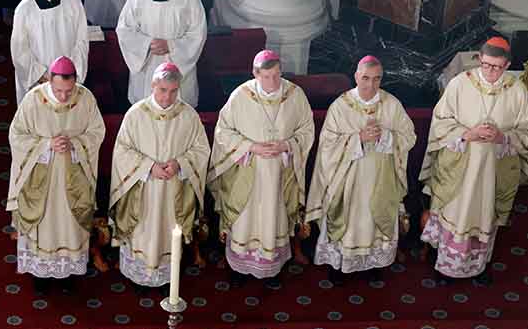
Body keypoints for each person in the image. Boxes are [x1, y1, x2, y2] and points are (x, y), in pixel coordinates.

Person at [420, 37, 528, 284]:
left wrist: (503, 137)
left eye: (497, 67)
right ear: (479, 60)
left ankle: (478, 267)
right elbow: (440, 121)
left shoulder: (517, 90)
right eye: (486, 65)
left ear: (507, 65)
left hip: (493, 171)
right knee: (454, 215)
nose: (490, 71)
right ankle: (445, 267)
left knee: (485, 216)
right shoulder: (460, 84)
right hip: (460, 167)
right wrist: (467, 134)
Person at [306, 56, 417, 283]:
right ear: (356, 76)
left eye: (376, 79)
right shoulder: (340, 105)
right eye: (365, 78)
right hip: (349, 180)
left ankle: (372, 264)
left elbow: (409, 137)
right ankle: (340, 265)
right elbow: (327, 144)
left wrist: (385, 137)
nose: (370, 85)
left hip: (381, 177)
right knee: (349, 221)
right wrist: (358, 138)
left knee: (374, 221)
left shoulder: (391, 104)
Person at [207, 50, 314, 284]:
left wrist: (286, 145)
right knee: (246, 220)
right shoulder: (240, 96)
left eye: (277, 75)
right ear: (255, 73)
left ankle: (271, 270)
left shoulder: (295, 95)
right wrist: (251, 147)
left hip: (280, 173)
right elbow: (223, 132)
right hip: (248, 173)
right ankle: (239, 268)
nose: (273, 82)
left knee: (275, 218)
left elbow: (307, 131)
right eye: (267, 76)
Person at [7, 56, 106, 294]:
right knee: (45, 226)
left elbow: (97, 132)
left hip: (74, 177)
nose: (64, 97)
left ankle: (68, 275)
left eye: (69, 90)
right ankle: (40, 276)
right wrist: (46, 145)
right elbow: (16, 135)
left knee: (70, 226)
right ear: (50, 80)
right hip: (42, 179)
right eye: (59, 90)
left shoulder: (85, 98)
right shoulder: (33, 100)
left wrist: (76, 144)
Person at [109, 62, 210, 292]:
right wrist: (148, 167)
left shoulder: (188, 115)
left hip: (173, 189)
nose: (168, 97)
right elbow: (122, 151)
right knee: (143, 231)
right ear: (153, 85)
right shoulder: (136, 114)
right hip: (143, 190)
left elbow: (201, 149)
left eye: (174, 91)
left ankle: (167, 277)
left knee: (168, 233)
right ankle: (139, 277)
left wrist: (180, 163)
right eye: (163, 90)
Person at [116, 0, 206, 107]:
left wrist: (171, 45)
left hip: (178, 65)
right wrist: (147, 44)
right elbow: (125, 30)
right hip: (147, 64)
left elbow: (198, 33)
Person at [11, 0, 89, 101]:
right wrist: (42, 76)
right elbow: (20, 50)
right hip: (38, 82)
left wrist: (69, 75)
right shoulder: (24, 9)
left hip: (68, 81)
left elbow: (82, 41)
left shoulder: (73, 2)